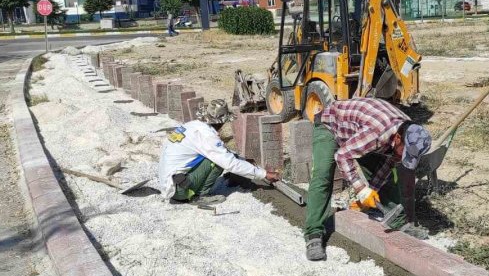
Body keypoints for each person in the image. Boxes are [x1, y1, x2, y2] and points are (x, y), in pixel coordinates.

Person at [304, 98, 432, 261]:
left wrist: (370, 192)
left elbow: (387, 166)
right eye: (404, 152)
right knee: (322, 176)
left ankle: (399, 223)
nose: (403, 156)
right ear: (398, 138)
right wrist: (360, 189)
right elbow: (342, 156)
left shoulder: (408, 133)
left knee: (389, 178)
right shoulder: (376, 133)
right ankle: (313, 234)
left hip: (357, 132)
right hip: (331, 126)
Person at [157, 100, 279, 206]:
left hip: (169, 183)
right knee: (217, 162)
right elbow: (229, 163)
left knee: (218, 157)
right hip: (179, 190)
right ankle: (199, 196)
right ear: (220, 122)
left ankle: (189, 191)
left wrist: (240, 158)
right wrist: (264, 174)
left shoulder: (193, 126)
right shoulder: (207, 136)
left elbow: (219, 151)